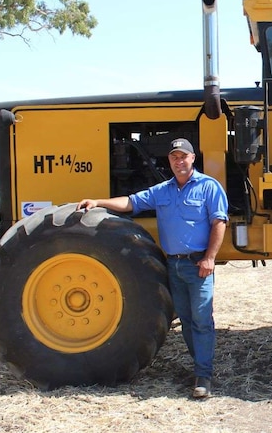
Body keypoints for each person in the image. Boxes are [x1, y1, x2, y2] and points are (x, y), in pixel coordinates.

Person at [77, 137, 228, 399]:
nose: (179, 161)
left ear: (193, 158)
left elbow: (219, 222)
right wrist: (99, 202)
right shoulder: (162, 190)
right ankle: (199, 365)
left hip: (198, 265)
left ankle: (204, 375)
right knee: (188, 320)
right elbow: (130, 203)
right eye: (174, 157)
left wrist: (210, 258)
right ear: (169, 161)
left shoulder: (209, 187)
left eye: (183, 156)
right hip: (174, 265)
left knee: (202, 320)